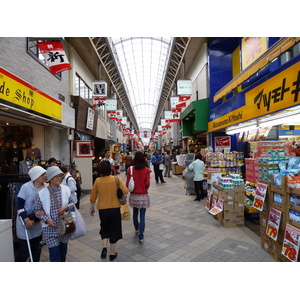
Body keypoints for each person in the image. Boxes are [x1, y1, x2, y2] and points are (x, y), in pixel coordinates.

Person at [90, 160, 128, 261]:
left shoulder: (98, 181)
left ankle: (104, 248)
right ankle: (112, 253)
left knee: (104, 228)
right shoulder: (116, 179)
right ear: (110, 168)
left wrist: (91, 207)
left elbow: (93, 196)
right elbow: (125, 191)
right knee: (114, 230)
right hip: (114, 208)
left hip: (102, 209)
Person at [35, 166, 75, 262]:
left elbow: (72, 202)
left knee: (63, 252)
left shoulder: (66, 189)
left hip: (65, 226)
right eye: (56, 176)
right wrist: (47, 219)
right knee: (54, 255)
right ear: (50, 178)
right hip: (50, 229)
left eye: (60, 176)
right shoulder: (42, 193)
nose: (59, 178)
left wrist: (66, 207)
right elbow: (37, 211)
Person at [15, 166, 47, 262]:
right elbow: (19, 206)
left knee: (36, 249)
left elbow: (48, 204)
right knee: (24, 251)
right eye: (42, 174)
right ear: (35, 176)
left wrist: (44, 211)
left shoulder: (46, 187)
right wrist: (26, 219)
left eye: (45, 173)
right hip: (24, 222)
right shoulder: (26, 187)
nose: (45, 176)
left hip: (37, 222)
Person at [126, 151, 150, 244]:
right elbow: (147, 184)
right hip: (143, 195)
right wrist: (144, 187)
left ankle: (136, 228)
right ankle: (141, 236)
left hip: (134, 195)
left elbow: (127, 183)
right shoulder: (147, 170)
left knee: (135, 213)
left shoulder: (130, 170)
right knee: (143, 215)